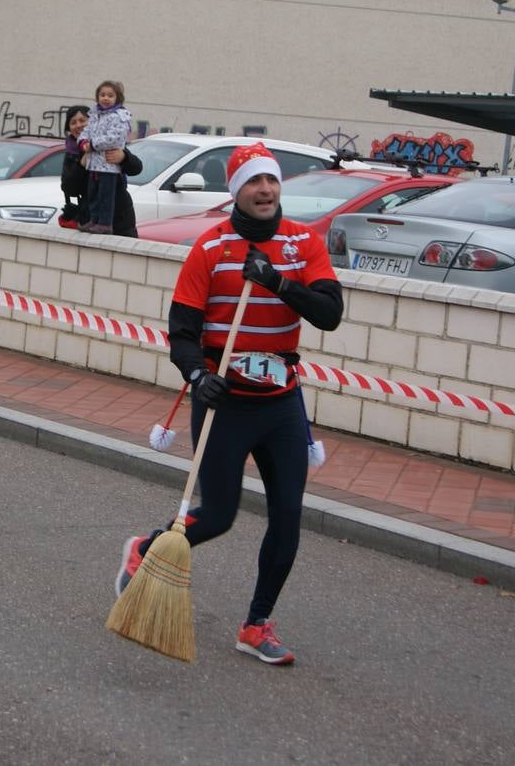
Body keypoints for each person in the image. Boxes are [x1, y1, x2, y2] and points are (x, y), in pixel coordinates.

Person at [114, 142, 343, 664]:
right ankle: (145, 550)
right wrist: (197, 374)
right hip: (225, 400)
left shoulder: (303, 244)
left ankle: (256, 625)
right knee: (218, 516)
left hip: (282, 401)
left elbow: (329, 312)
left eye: (272, 181)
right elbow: (181, 331)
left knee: (287, 517)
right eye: (253, 182)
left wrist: (277, 282)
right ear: (236, 191)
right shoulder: (211, 247)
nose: (265, 190)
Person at [77, 80, 132, 234]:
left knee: (105, 195)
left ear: (117, 98)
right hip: (94, 163)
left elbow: (114, 138)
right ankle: (94, 220)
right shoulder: (95, 115)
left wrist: (93, 145)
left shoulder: (120, 116)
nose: (106, 98)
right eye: (102, 95)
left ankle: (105, 223)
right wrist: (82, 142)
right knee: (93, 193)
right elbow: (86, 131)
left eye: (110, 95)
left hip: (108, 164)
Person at [58, 105, 91, 229]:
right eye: (73, 122)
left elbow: (135, 168)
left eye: (82, 120)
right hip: (88, 217)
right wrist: (81, 164)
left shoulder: (107, 141)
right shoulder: (71, 153)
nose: (78, 125)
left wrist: (123, 157)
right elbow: (69, 189)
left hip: (118, 215)